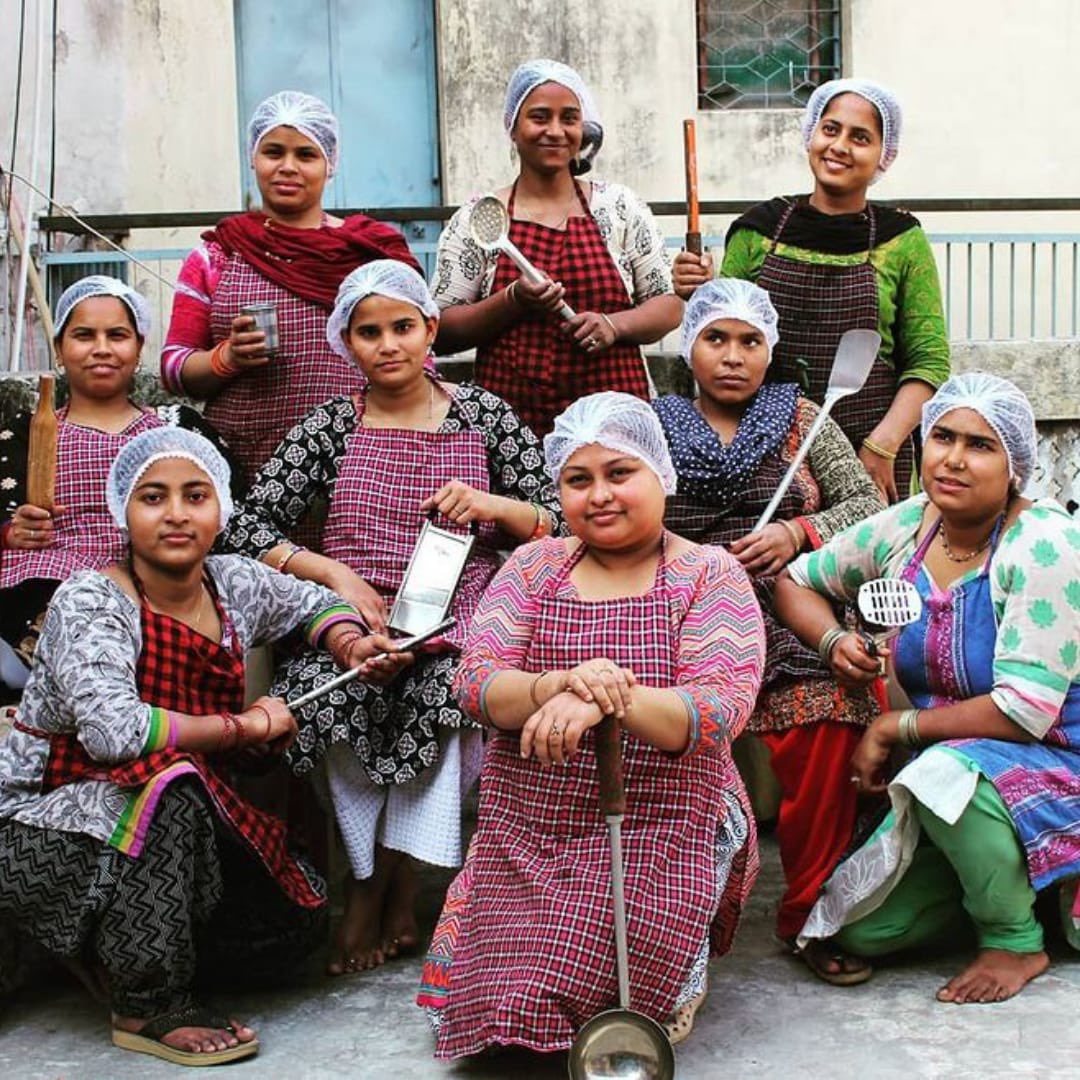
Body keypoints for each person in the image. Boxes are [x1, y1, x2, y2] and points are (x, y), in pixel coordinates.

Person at [0, 427, 409, 1065]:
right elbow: (115, 733)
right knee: (173, 786)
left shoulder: (232, 582)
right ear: (121, 512)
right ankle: (148, 1003)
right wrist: (243, 728)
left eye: (195, 496)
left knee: (289, 927)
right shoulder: (92, 598)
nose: (176, 514)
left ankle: (101, 949)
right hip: (44, 823)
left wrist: (352, 644)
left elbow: (312, 604)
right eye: (152, 497)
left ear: (220, 508)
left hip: (160, 811)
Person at [222, 260, 562, 976]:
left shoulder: (486, 416)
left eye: (403, 326)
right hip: (354, 613)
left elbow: (557, 523)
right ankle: (368, 879)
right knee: (332, 693)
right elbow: (247, 528)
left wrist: (496, 508)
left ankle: (397, 884)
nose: (388, 344)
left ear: (431, 329)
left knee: (448, 693)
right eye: (368, 331)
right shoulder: (328, 426)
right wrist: (332, 573)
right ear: (345, 341)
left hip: (462, 612)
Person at [417, 391, 765, 1055]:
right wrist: (560, 683)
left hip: (666, 822)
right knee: (505, 1001)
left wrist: (607, 697)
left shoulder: (706, 575)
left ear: (661, 475)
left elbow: (717, 712)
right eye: (578, 480)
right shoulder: (533, 565)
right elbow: (475, 685)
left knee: (605, 978)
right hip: (531, 822)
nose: (599, 495)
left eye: (619, 473)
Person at [774, 373, 1080, 1004]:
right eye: (942, 436)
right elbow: (795, 580)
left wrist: (892, 726)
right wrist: (835, 643)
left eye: (980, 445)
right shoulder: (911, 526)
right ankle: (1018, 880)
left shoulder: (1044, 546)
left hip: (1058, 755)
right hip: (958, 773)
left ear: (1015, 465)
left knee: (942, 775)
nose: (954, 458)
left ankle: (1015, 939)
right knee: (863, 933)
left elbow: (1023, 711)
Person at [652, 278, 884, 982]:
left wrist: (799, 529)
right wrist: (686, 558)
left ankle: (810, 913)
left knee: (826, 712)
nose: (732, 356)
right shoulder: (649, 421)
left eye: (750, 341)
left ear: (770, 350)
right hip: (679, 612)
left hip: (789, 607)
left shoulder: (806, 417)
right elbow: (602, 508)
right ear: (688, 345)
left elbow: (868, 501)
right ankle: (664, 920)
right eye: (715, 338)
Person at [674, 78, 950, 502]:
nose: (840, 146)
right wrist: (700, 293)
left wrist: (883, 445)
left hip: (870, 446)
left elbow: (928, 362)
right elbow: (727, 332)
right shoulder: (758, 230)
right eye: (830, 129)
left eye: (860, 138)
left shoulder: (902, 240)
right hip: (767, 449)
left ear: (883, 155)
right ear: (810, 136)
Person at [162, 90, 421, 485]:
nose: (287, 167)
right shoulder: (218, 256)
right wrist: (226, 358)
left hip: (360, 461)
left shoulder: (370, 254)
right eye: (273, 152)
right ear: (253, 157)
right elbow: (173, 367)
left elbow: (420, 359)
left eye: (305, 155)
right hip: (246, 466)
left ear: (330, 163)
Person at [0, 275, 238, 697]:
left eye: (117, 335)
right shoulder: (23, 434)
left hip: (154, 584)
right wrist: (11, 532)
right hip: (41, 591)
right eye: (84, 335)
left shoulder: (178, 430)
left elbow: (227, 513)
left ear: (139, 347)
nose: (102, 348)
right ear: (59, 349)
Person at [431, 59, 682, 437]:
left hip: (613, 418)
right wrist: (512, 300)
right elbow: (442, 329)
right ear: (513, 128)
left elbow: (667, 305)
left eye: (569, 118)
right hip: (511, 426)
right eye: (539, 117)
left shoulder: (619, 208)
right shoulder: (477, 219)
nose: (555, 131)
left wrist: (614, 325)